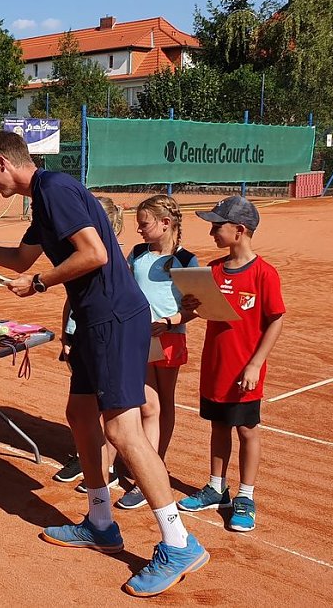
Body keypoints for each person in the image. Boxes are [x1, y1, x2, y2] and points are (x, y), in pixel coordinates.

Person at [0, 130, 208, 597]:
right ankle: (99, 521)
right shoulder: (43, 201)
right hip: (95, 322)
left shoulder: (55, 189)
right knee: (79, 415)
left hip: (113, 316)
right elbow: (20, 258)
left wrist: (41, 284)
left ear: (1, 164)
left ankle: (179, 542)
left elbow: (92, 253)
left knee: (123, 431)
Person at [177, 196, 285, 532]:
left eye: (217, 225)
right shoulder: (213, 269)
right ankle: (216, 487)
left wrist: (255, 364)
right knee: (219, 426)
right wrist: (188, 307)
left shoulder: (264, 274)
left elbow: (275, 320)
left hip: (244, 371)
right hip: (215, 366)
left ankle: (246, 495)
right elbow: (199, 312)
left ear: (239, 231)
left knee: (247, 430)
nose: (211, 231)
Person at [116, 195, 199, 510]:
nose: (139, 230)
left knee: (163, 402)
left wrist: (169, 322)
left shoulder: (187, 260)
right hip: (136, 339)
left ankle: (153, 467)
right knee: (147, 406)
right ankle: (147, 467)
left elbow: (198, 306)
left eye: (144, 224)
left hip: (168, 339)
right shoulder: (136, 253)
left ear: (166, 223)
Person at [54, 197, 122, 493]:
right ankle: (86, 456)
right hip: (78, 334)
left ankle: (107, 468)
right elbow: (72, 299)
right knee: (82, 407)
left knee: (105, 407)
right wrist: (66, 332)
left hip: (102, 336)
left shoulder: (105, 259)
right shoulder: (81, 253)